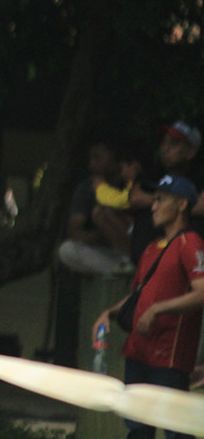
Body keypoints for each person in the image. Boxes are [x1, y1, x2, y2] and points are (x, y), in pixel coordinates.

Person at [93, 175, 204, 439]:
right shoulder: (151, 249)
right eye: (153, 200)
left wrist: (157, 310)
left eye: (160, 200)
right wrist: (108, 313)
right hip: (138, 352)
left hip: (169, 357)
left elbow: (202, 291)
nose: (153, 206)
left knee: (175, 430)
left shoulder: (190, 244)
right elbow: (138, 296)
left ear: (181, 205)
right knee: (137, 429)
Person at [57, 139, 134, 275]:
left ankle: (131, 267)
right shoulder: (87, 188)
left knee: (103, 213)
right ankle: (122, 270)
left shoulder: (131, 184)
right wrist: (103, 237)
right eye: (91, 158)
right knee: (67, 250)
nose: (91, 165)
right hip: (105, 251)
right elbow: (74, 231)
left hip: (132, 249)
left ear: (115, 161)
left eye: (97, 158)